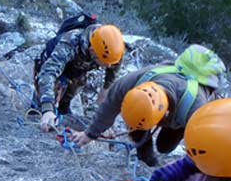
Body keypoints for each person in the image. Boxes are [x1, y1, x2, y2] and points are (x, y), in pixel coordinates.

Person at [69, 63, 216, 165]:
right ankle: (146, 157)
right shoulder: (129, 83)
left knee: (165, 146)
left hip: (181, 110)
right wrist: (89, 134)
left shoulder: (196, 111)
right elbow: (108, 107)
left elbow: (205, 150)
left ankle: (162, 142)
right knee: (139, 137)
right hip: (160, 98)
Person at [35, 23, 125, 131]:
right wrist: (47, 109)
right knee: (40, 111)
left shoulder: (114, 51)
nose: (109, 66)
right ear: (92, 51)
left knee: (75, 86)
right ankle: (40, 106)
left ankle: (64, 108)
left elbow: (109, 83)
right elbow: (48, 72)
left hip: (76, 70)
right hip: (49, 63)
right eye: (105, 62)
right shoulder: (71, 42)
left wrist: (100, 114)